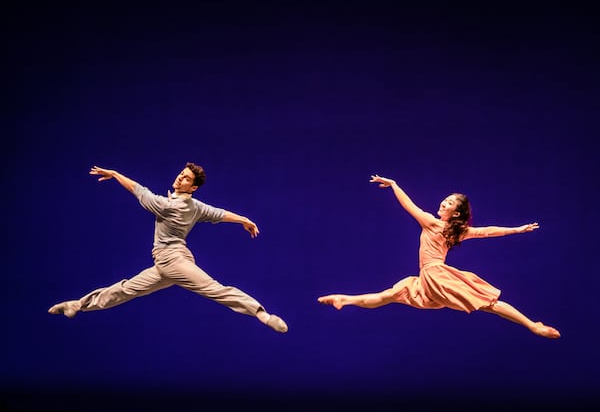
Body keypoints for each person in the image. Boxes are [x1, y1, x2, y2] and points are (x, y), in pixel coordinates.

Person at [49, 163, 288, 333]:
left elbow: (139, 190)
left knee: (214, 289)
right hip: (165, 265)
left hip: (174, 261)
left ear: (193, 187)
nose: (180, 178)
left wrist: (114, 174)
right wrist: (244, 219)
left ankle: (262, 315)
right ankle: (78, 304)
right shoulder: (194, 206)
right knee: (126, 289)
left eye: (186, 178)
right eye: (181, 174)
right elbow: (219, 213)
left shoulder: (169, 206)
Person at [318, 174, 560, 339]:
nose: (444, 203)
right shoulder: (454, 230)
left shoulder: (434, 224)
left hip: (436, 275)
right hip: (426, 279)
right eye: (446, 200)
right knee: (389, 295)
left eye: (450, 203)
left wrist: (394, 185)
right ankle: (344, 299)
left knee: (488, 304)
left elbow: (410, 206)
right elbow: (487, 231)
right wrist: (517, 229)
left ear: (456, 213)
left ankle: (533, 326)